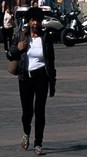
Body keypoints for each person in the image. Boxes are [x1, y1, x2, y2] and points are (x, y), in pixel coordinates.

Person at [7, 8, 56, 156]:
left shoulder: (46, 37)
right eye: (33, 20)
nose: (35, 23)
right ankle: (26, 133)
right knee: (27, 112)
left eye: (38, 20)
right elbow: (9, 55)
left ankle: (38, 143)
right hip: (25, 77)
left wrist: (52, 82)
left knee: (40, 111)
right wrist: (17, 48)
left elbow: (51, 61)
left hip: (42, 77)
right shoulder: (20, 36)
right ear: (28, 21)